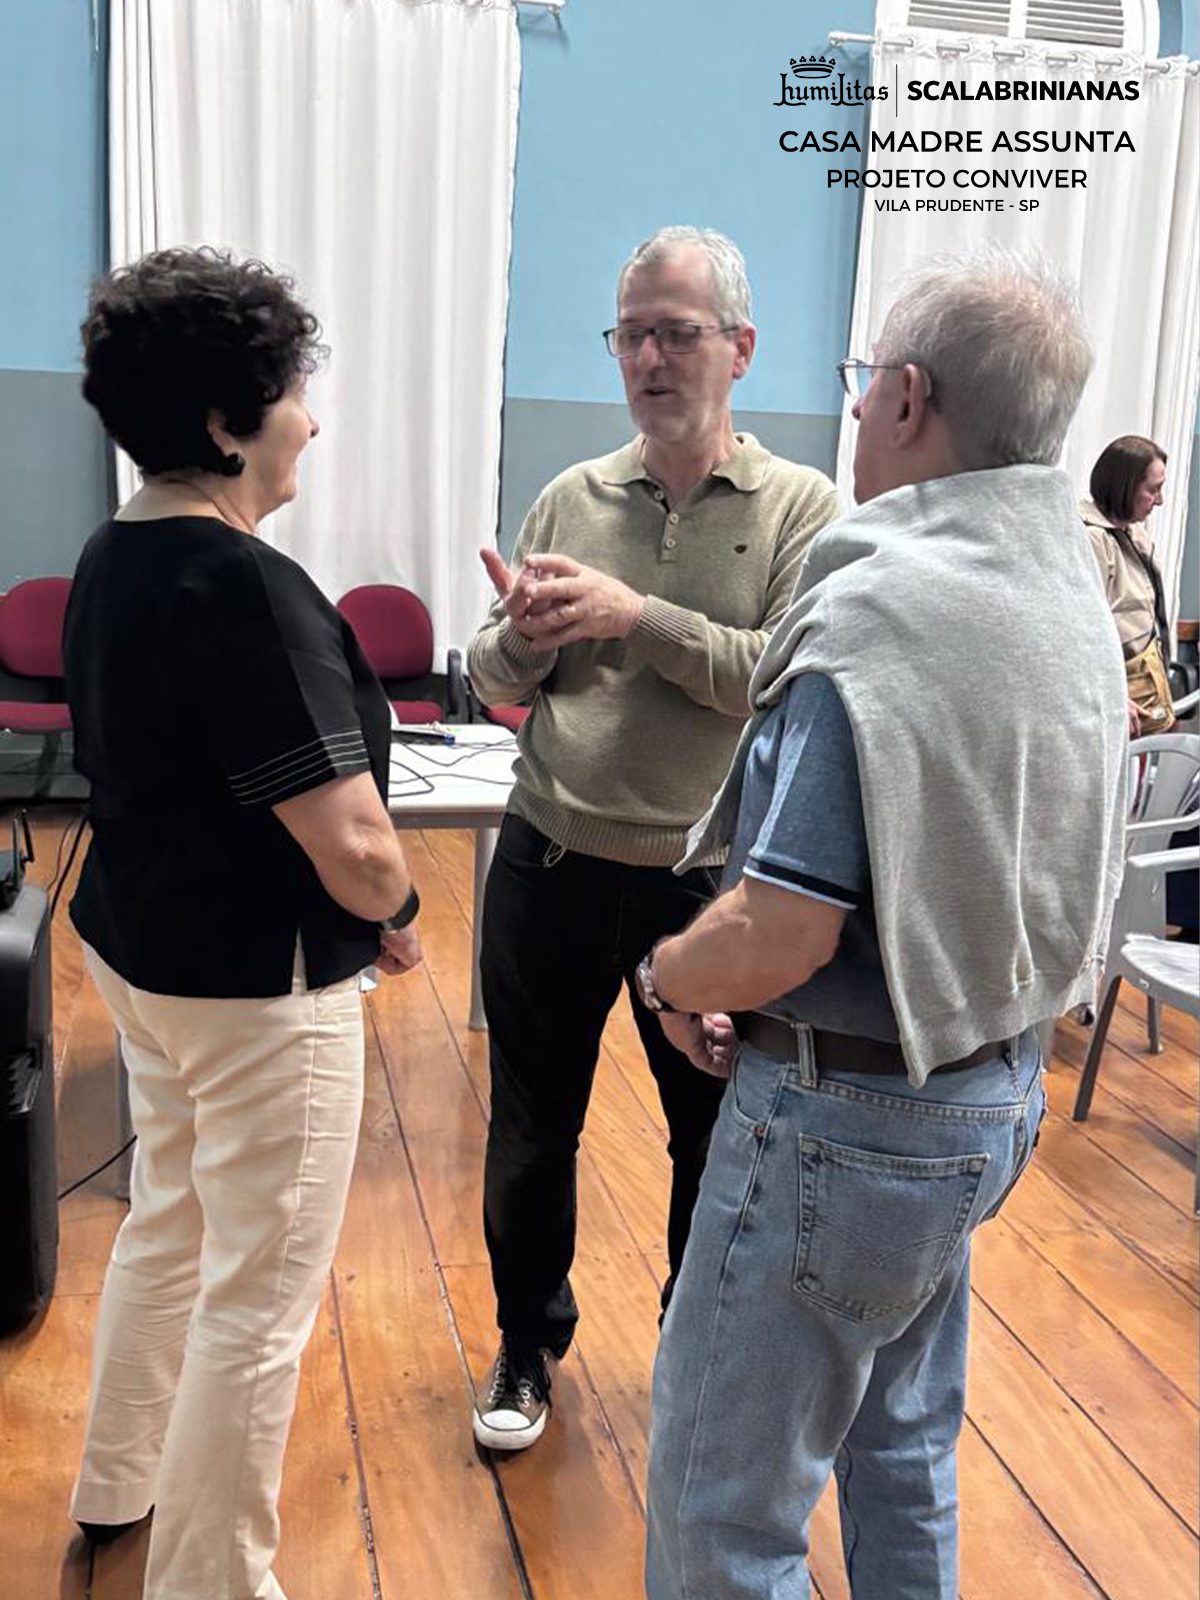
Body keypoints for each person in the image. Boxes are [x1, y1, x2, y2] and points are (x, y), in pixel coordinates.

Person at [637, 248, 1128, 1600]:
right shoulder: (1066, 590)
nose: (855, 407)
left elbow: (782, 929)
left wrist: (667, 973)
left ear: (907, 397)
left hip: (845, 1123)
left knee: (723, 1516)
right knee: (902, 1449)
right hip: (990, 1096)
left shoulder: (880, 606)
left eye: (862, 384)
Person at [64, 248, 422, 1600]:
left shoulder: (114, 553)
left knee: (170, 1220)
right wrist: (396, 907)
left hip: (145, 958)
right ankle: (212, 1582)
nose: (311, 423)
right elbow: (357, 846)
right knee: (260, 1301)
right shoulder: (243, 584)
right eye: (294, 395)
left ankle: (117, 1480)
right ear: (228, 423)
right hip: (253, 990)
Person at [465, 225, 839, 1452]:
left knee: (713, 1135)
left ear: (742, 347)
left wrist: (637, 614)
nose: (649, 359)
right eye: (631, 335)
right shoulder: (573, 495)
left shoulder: (802, 509)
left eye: (676, 332)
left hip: (706, 885)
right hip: (550, 857)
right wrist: (522, 639)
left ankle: (696, 1349)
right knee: (532, 1126)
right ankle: (526, 1342)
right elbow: (494, 677)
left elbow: (778, 679)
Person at [1081, 435, 1176, 736]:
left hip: (1139, 693)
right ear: (1126, 486)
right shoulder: (1092, 540)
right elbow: (1079, 632)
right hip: (1112, 704)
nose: (1159, 500)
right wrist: (1110, 695)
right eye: (1153, 490)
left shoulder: (1134, 536)